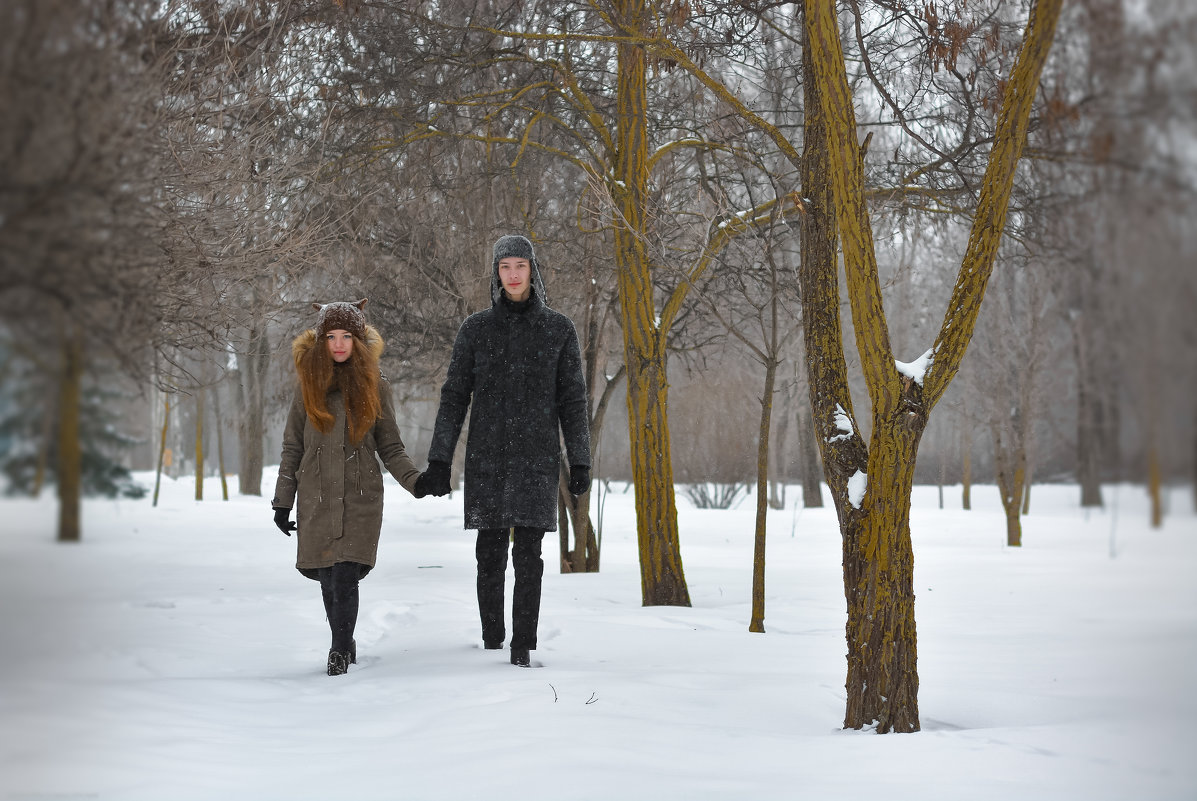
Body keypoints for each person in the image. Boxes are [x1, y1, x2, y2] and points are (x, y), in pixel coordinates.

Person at [415, 234, 591, 667]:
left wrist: (580, 458)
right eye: (505, 267)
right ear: (496, 273)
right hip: (488, 458)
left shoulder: (557, 330)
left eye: (520, 266)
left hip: (536, 457)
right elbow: (454, 395)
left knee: (529, 555)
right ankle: (493, 638)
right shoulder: (476, 330)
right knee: (489, 553)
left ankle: (522, 647)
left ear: (533, 270)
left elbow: (573, 400)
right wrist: (440, 460)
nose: (512, 275)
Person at [271, 299, 425, 676]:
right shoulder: (307, 387)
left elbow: (390, 446)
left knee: (344, 575)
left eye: (346, 336)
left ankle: (338, 651)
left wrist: (416, 482)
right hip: (317, 497)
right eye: (331, 337)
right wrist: (282, 502)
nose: (339, 344)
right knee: (327, 577)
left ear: (358, 340)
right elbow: (293, 446)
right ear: (321, 341)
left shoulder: (376, 385)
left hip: (360, 498)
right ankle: (346, 639)